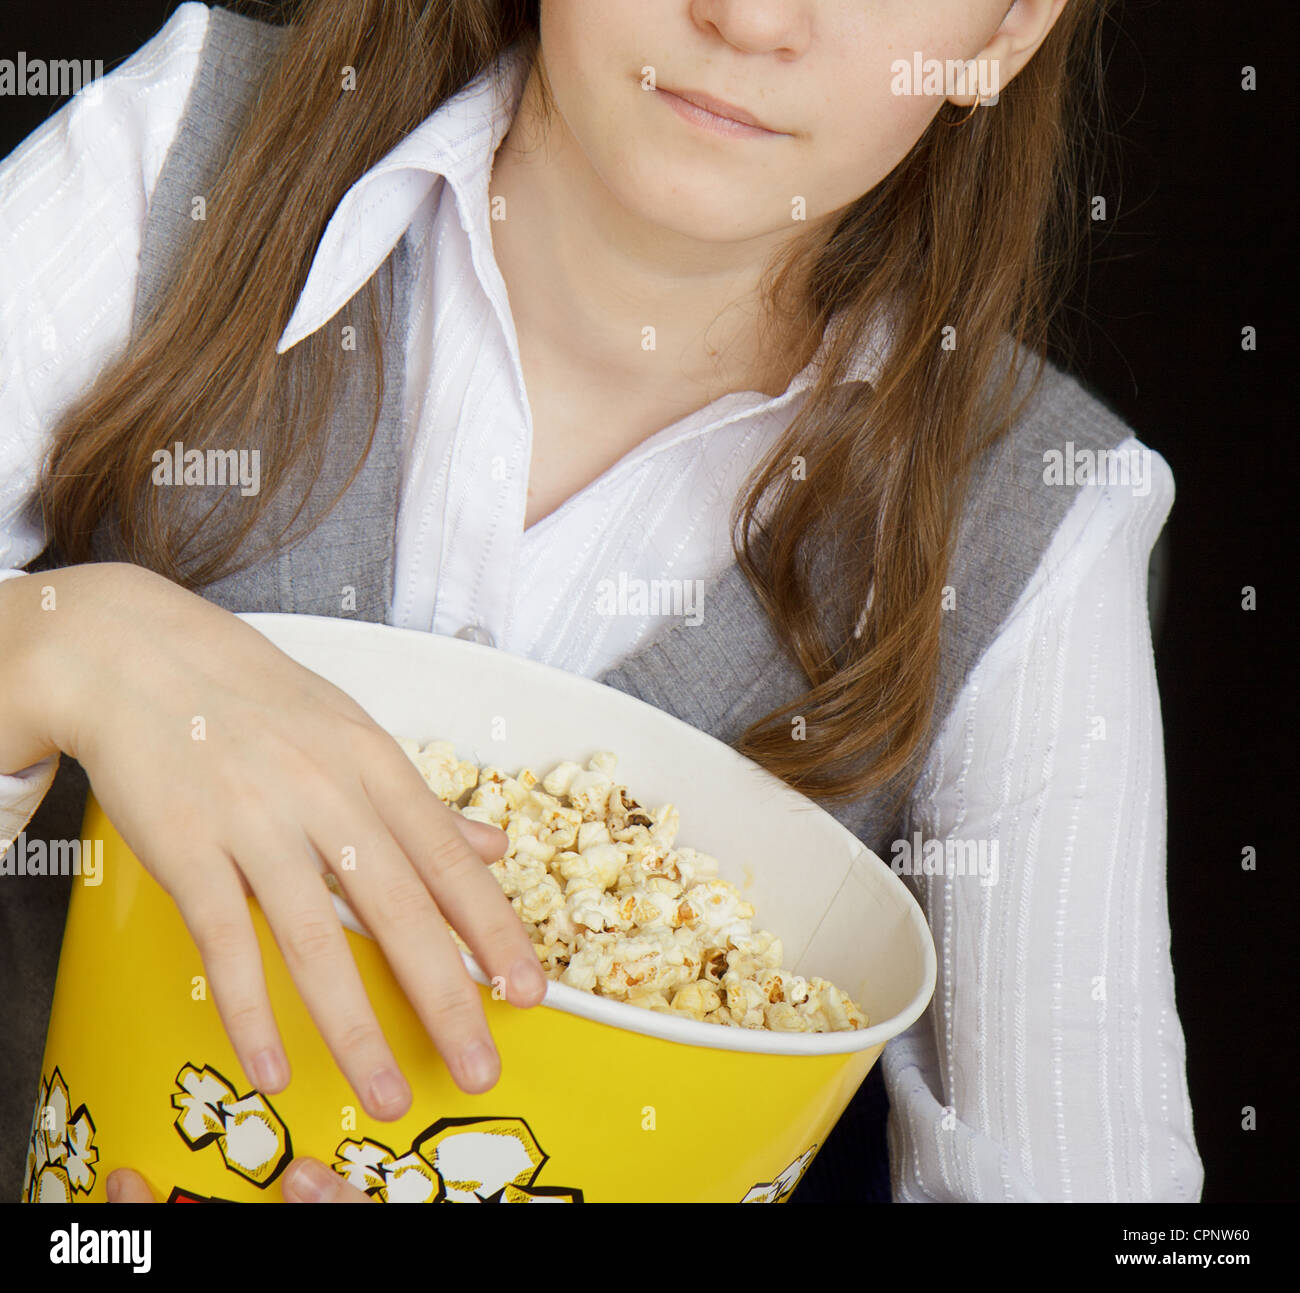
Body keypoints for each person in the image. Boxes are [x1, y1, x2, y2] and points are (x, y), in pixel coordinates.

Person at [0, 0, 1202, 1201]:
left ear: (1005, 32)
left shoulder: (1035, 522)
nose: (749, 18)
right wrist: (59, 642)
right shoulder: (184, 158)